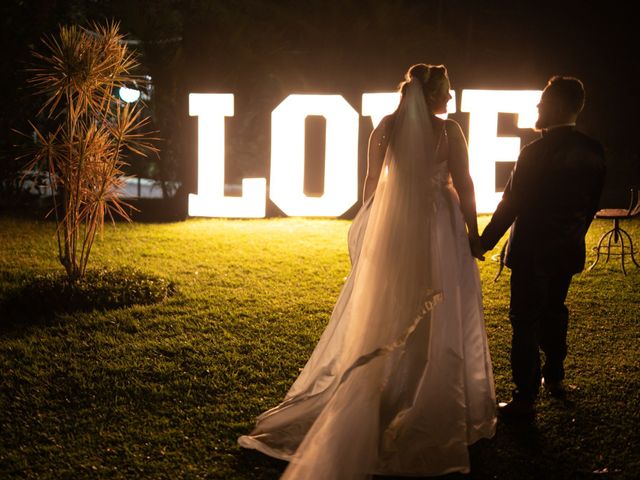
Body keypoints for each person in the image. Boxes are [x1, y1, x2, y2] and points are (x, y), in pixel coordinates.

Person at [238, 64, 496, 478]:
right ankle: (425, 394)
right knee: (440, 306)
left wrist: (369, 224)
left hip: (396, 228)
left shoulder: (386, 127)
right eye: (446, 92)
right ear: (431, 97)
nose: (451, 98)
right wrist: (473, 233)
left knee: (392, 304)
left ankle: (392, 390)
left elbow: (372, 181)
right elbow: (464, 183)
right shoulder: (451, 132)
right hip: (440, 227)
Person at [480, 76, 606, 420]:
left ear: (559, 106)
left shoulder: (534, 152)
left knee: (524, 319)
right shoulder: (593, 151)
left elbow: (511, 204)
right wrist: (574, 234)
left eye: (543, 101)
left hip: (531, 251)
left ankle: (524, 394)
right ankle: (555, 375)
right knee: (554, 310)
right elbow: (592, 205)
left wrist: (483, 242)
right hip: (567, 251)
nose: (537, 107)